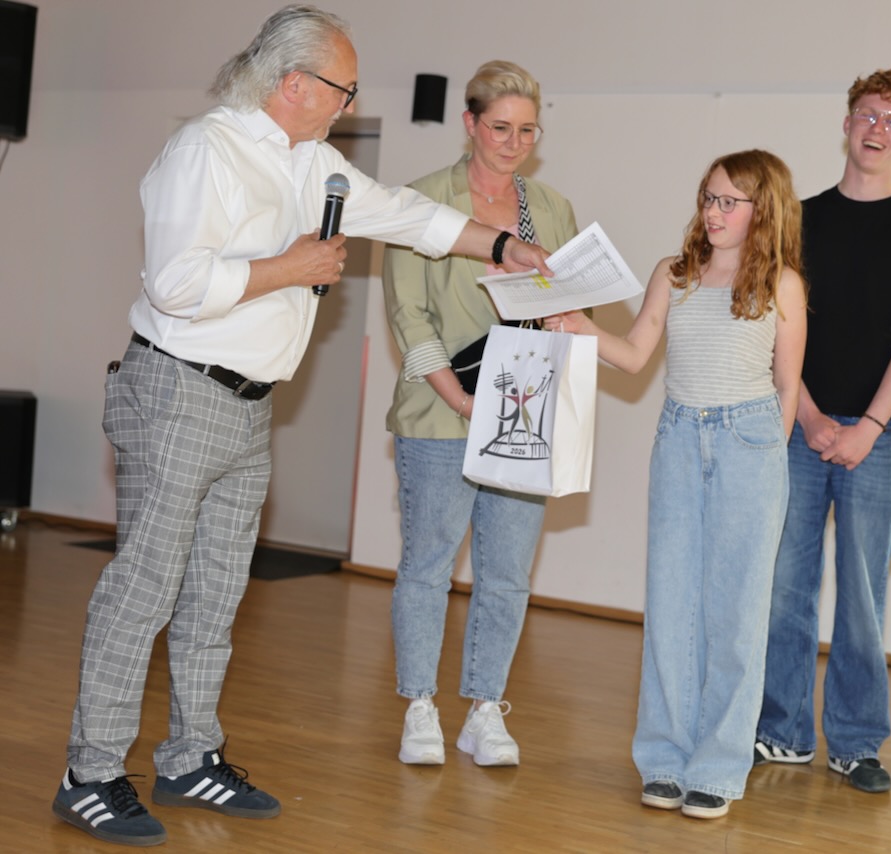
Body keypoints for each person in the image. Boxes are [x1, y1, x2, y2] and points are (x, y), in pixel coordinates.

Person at [52, 8, 550, 848]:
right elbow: (176, 282)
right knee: (143, 591)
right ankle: (90, 772)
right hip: (176, 390)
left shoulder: (315, 163)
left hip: (249, 408)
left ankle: (189, 758)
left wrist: (502, 248)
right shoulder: (205, 150)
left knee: (217, 594)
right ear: (294, 83)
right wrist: (294, 266)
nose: (350, 104)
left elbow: (407, 215)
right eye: (344, 89)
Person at [547, 149, 806, 819]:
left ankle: (718, 767)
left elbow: (787, 386)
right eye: (708, 198)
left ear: (763, 209)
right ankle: (663, 760)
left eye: (729, 202)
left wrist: (767, 463)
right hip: (680, 439)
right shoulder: (675, 272)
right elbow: (636, 356)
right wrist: (580, 328)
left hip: (751, 444)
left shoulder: (782, 284)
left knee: (736, 615)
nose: (713, 212)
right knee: (670, 605)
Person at [752, 67, 891, 794]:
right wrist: (805, 415)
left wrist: (867, 426)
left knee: (864, 597)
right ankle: (782, 732)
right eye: (867, 114)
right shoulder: (797, 221)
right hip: (796, 427)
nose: (877, 129)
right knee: (785, 586)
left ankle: (857, 743)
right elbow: (776, 328)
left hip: (878, 440)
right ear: (846, 123)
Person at [382, 60, 577, 769]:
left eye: (527, 130)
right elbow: (409, 315)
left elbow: (566, 306)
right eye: (500, 127)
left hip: (521, 414)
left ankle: (485, 709)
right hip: (441, 412)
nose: (513, 142)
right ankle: (419, 707)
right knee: (427, 565)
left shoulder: (550, 208)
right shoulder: (421, 201)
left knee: (508, 573)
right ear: (469, 123)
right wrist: (462, 398)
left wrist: (563, 309)